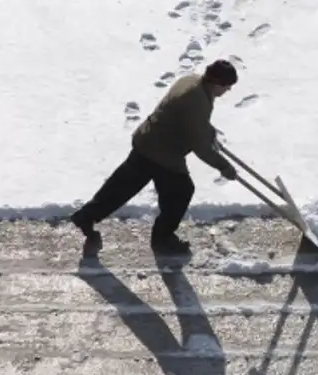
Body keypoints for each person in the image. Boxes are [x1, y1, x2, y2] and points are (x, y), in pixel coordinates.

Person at [70, 59, 239, 256]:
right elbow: (200, 146)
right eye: (227, 87)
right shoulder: (197, 100)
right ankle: (163, 239)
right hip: (163, 152)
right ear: (217, 83)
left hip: (148, 140)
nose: (227, 91)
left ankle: (87, 216)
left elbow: (190, 121)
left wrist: (207, 131)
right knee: (181, 191)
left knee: (122, 185)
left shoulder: (192, 81)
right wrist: (224, 166)